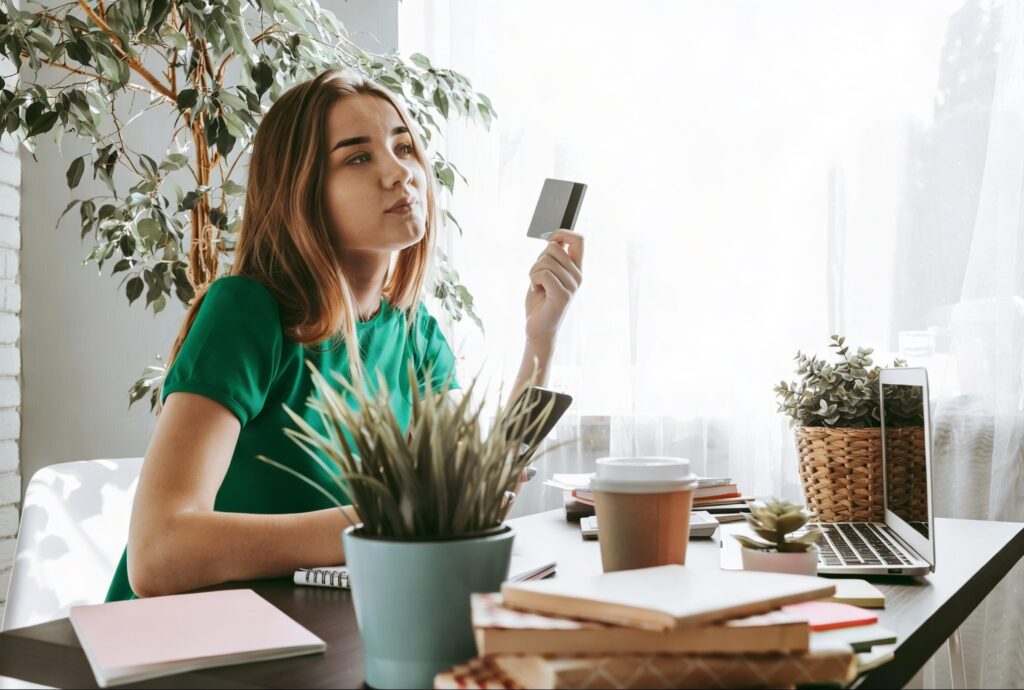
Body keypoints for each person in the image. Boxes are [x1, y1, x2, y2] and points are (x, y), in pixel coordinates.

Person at [105, 68, 584, 601]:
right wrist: (383, 522)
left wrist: (540, 337)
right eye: (358, 157)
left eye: (404, 148)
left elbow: (466, 502)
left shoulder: (413, 330)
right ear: (302, 190)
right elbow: (158, 553)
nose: (399, 173)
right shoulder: (246, 312)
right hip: (180, 635)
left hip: (310, 624)